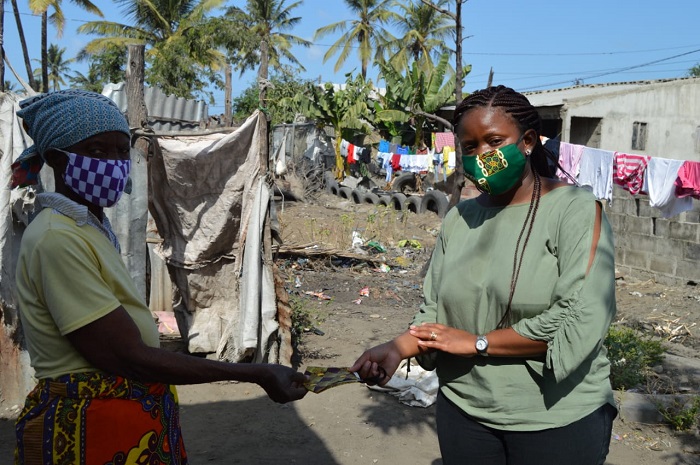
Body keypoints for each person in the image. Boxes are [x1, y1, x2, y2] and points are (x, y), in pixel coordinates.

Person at [12, 90, 308, 465]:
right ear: (56, 159)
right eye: (98, 151)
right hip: (89, 431)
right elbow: (129, 357)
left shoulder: (87, 227)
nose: (115, 163)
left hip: (119, 426)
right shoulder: (58, 239)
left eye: (122, 151)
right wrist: (255, 373)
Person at [351, 85, 618, 465]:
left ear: (526, 141)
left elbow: (579, 320)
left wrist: (478, 343)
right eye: (470, 147)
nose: (482, 157)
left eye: (494, 142)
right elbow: (434, 311)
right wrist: (396, 350)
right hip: (464, 413)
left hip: (555, 419)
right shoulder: (459, 219)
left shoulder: (574, 210)